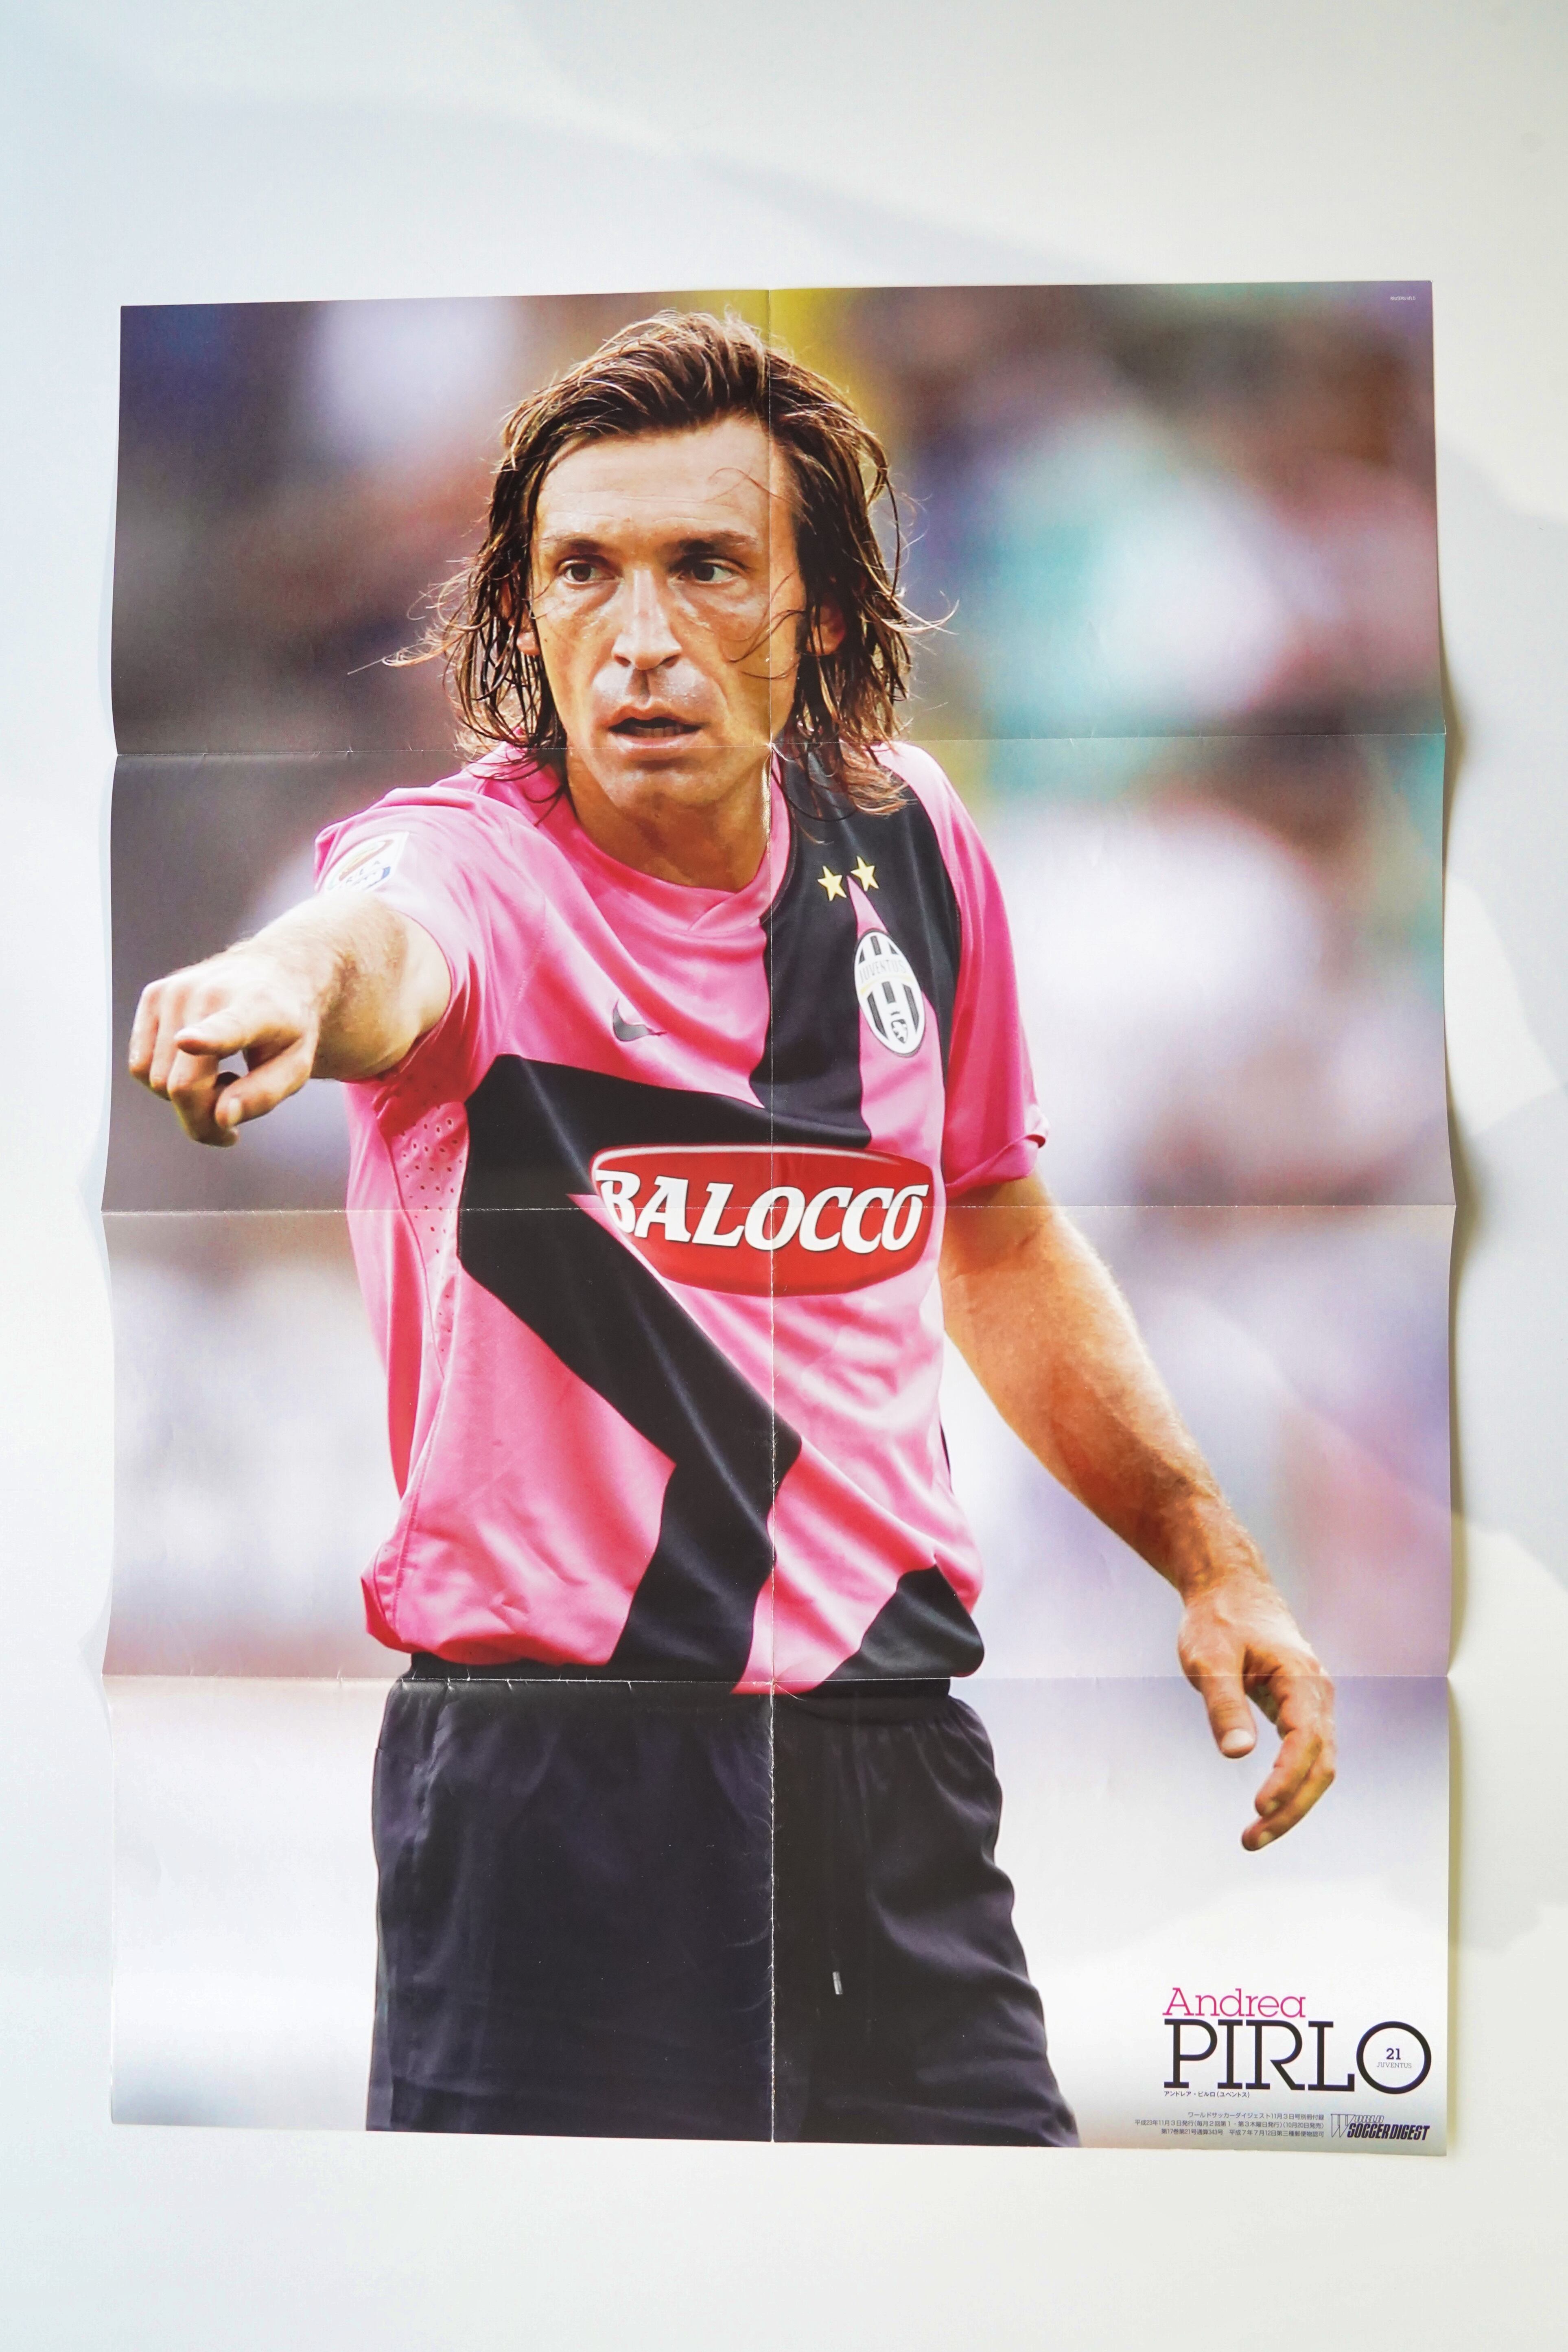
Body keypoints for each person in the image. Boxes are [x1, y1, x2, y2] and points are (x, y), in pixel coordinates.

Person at [128, 311, 1335, 2146]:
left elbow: (995, 1231)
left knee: (988, 2266)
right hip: (557, 1787)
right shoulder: (464, 864)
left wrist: (1212, 1557)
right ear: (523, 615)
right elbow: (370, 948)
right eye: (583, 572)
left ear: (821, 612)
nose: (638, 634)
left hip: (889, 1761)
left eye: (705, 566)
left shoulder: (912, 845)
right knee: (546, 2284)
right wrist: (274, 988)